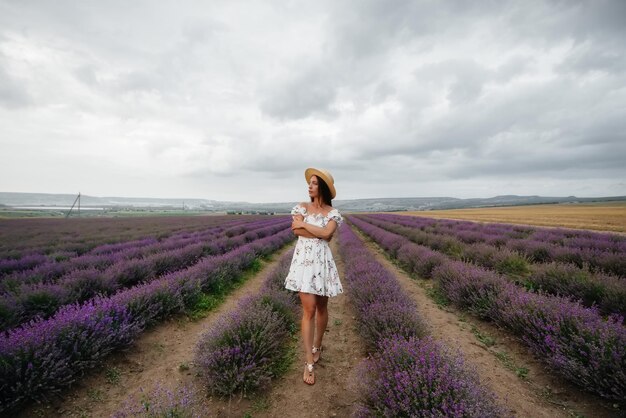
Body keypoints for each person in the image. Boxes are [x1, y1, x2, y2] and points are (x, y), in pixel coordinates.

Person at [284, 167, 344, 386]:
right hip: (304, 263)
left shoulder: (332, 213)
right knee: (308, 310)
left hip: (322, 263)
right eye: (309, 182)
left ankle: (318, 345)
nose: (309, 186)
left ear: (324, 188)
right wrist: (313, 230)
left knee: (322, 308)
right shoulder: (301, 207)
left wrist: (305, 224)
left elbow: (328, 234)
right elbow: (296, 231)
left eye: (314, 183)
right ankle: (309, 360)